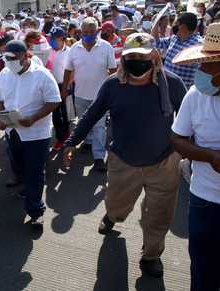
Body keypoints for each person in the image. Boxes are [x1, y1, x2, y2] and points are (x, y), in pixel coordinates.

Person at [63, 33, 187, 277]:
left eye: (142, 57)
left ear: (154, 56)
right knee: (118, 207)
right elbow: (91, 114)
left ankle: (151, 255)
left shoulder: (171, 84)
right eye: (131, 57)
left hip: (164, 162)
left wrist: (195, 153)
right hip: (123, 161)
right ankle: (112, 216)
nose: (137, 61)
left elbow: (190, 118)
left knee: (159, 216)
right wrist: (72, 142)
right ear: (123, 58)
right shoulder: (112, 85)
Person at [171, 21, 220, 291]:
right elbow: (178, 140)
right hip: (206, 201)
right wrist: (209, 156)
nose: (199, 72)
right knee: (203, 271)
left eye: (207, 66)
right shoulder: (195, 95)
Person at [0, 40, 61, 226]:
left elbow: (54, 101)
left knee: (35, 171)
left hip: (36, 133)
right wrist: (0, 117)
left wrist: (33, 118)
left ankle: (35, 210)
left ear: (25, 56)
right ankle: (28, 188)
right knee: (20, 165)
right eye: (5, 57)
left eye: (12, 58)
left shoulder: (42, 75)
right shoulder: (4, 74)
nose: (8, 61)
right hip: (12, 131)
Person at [62, 17, 117, 171]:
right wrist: (64, 88)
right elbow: (68, 69)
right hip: (80, 94)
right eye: (85, 32)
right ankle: (88, 141)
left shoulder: (106, 47)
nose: (88, 35)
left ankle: (99, 157)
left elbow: (113, 70)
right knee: (82, 121)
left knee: (100, 126)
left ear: (97, 31)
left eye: (91, 32)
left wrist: (114, 90)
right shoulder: (74, 49)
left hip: (100, 96)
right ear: (81, 32)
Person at [152, 12, 203, 88]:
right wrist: (156, 23)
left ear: (183, 26)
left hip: (182, 90)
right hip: (166, 86)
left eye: (176, 24)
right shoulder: (174, 38)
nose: (174, 26)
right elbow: (157, 43)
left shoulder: (198, 45)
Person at [46, 27, 71, 150]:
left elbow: (72, 71)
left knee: (67, 112)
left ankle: (67, 135)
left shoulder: (70, 52)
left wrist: (66, 87)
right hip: (52, 85)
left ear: (62, 39)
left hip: (65, 85)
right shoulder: (48, 51)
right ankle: (60, 138)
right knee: (55, 113)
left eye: (53, 38)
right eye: (50, 38)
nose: (51, 41)